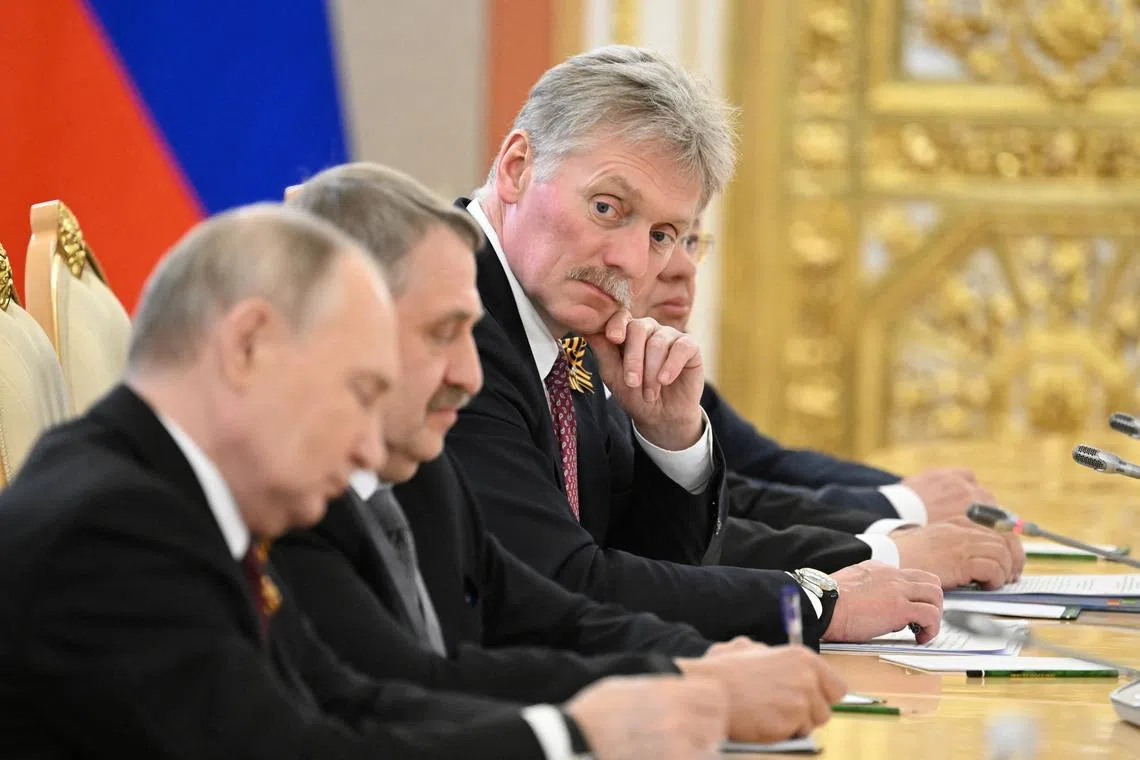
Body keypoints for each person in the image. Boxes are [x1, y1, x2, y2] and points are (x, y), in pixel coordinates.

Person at [0, 204, 733, 760]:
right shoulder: (113, 529)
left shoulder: (173, 494)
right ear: (249, 346)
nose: (362, 445)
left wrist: (611, 712)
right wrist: (568, 737)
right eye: (355, 391)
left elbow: (345, 702)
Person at [272, 161, 848, 743]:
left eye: (668, 235)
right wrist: (600, 722)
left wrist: (699, 666)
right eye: (443, 334)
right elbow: (403, 682)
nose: (469, 376)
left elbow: (540, 611)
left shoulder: (426, 467)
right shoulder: (278, 502)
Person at [447, 44, 945, 646]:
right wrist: (812, 605)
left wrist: (671, 438)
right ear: (517, 166)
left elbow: (641, 559)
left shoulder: (564, 325)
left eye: (664, 234)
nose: (632, 262)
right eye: (608, 208)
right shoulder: (453, 316)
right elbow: (557, 586)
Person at [637, 219, 1027, 590]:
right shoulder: (594, 379)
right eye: (660, 237)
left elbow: (760, 469)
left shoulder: (670, 374)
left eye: (691, 240)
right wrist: (893, 541)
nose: (684, 268)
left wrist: (907, 504)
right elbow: (665, 543)